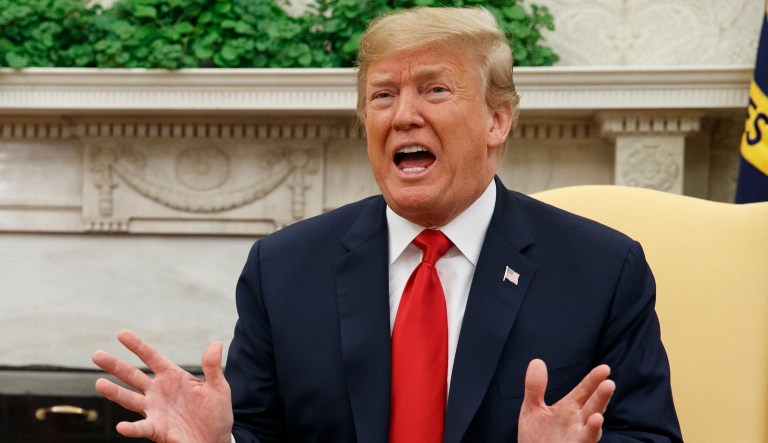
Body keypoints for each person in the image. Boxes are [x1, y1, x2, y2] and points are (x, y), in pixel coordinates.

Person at [92, 6, 682, 443]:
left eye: (435, 89)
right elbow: (257, 432)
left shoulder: (602, 269)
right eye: (382, 95)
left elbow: (650, 436)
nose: (403, 115)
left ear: (497, 120)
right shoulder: (284, 268)